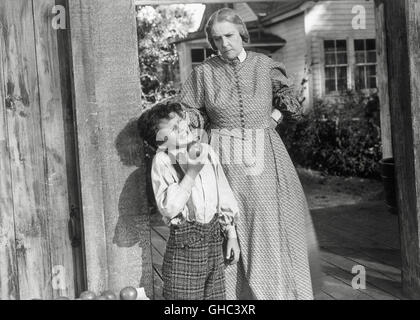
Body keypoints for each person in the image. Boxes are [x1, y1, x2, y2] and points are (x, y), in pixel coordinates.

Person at [180, 8, 321, 300]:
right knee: (229, 224)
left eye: (229, 36)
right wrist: (194, 131)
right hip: (224, 157)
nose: (224, 44)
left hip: (266, 156)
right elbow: (191, 113)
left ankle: (280, 292)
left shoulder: (265, 65)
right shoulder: (203, 73)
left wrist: (273, 120)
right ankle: (238, 300)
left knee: (269, 224)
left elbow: (291, 102)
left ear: (242, 33)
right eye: (217, 39)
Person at [137, 100, 240, 300]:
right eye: (174, 128)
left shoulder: (206, 152)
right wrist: (191, 174)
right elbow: (169, 207)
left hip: (214, 243)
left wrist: (231, 234)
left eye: (181, 121)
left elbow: (224, 194)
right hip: (185, 249)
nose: (183, 127)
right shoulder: (163, 161)